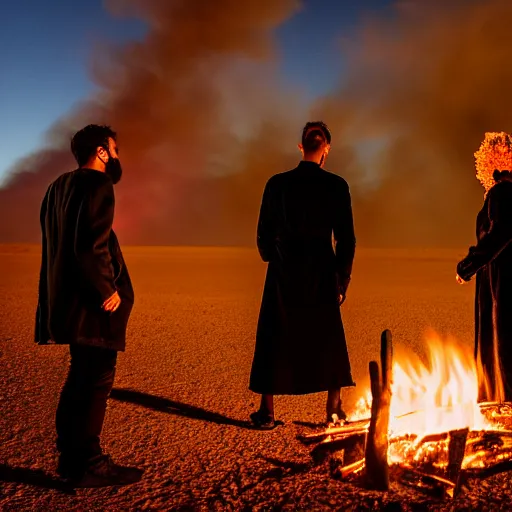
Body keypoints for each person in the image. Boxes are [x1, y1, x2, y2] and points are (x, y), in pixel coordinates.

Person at [35, 124, 143, 487]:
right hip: (93, 306)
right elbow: (89, 244)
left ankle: (71, 460)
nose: (116, 156)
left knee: (77, 379)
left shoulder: (55, 188)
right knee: (96, 381)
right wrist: (105, 288)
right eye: (113, 149)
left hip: (64, 303)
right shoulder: (98, 185)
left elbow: (60, 244)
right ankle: (91, 463)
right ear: (101, 152)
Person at [249, 121, 356, 429]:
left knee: (274, 336)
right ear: (326, 149)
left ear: (301, 146)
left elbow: (263, 232)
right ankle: (333, 408)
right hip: (321, 270)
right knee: (328, 338)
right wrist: (341, 278)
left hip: (284, 269)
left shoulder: (277, 184)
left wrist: (272, 255)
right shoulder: (336, 185)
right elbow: (346, 238)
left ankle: (267, 412)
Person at [457, 131, 512, 403]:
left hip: (502, 283)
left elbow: (500, 233)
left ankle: (500, 403)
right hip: (497, 277)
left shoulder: (501, 192)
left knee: (503, 346)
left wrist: (468, 266)